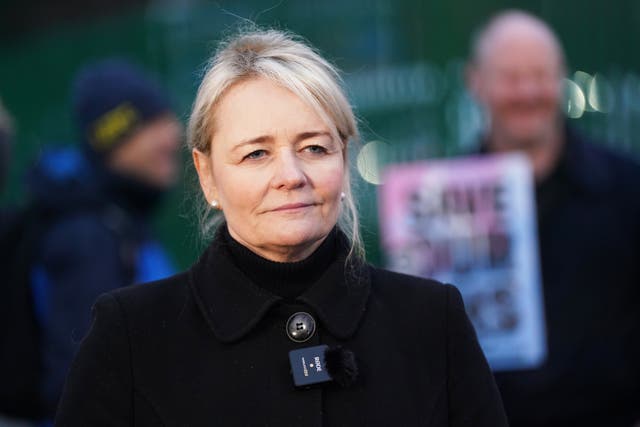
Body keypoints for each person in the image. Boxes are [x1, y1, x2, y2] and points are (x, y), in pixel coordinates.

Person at [54, 29, 508, 426]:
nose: (291, 175)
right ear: (207, 173)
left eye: (314, 148)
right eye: (256, 154)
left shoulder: (432, 320)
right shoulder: (131, 337)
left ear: (344, 159)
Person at [466, 10, 640, 427]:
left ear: (561, 79)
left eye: (540, 75)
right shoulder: (440, 200)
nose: (527, 91)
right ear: (476, 83)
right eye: (510, 77)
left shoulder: (628, 186)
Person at [25, 59, 181, 419]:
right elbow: (76, 385)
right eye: (153, 124)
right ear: (114, 138)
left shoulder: (121, 217)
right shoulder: (88, 238)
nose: (173, 133)